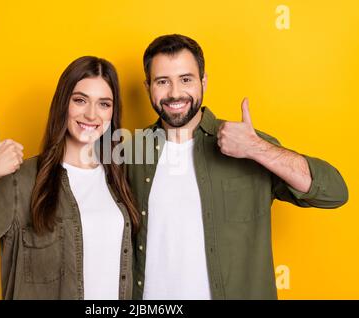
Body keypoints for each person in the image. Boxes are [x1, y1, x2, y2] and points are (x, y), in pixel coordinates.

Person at [127, 34, 348, 300]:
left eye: (186, 79)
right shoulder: (131, 154)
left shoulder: (247, 143)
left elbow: (334, 193)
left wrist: (256, 149)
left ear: (203, 81)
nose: (175, 93)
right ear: (147, 86)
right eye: (163, 81)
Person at [0, 56, 139, 300]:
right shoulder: (21, 181)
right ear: (63, 103)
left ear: (113, 112)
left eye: (104, 104)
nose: (92, 114)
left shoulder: (120, 179)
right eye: (80, 100)